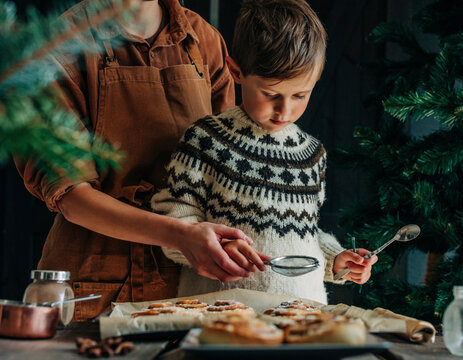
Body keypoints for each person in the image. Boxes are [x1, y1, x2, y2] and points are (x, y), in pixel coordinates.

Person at [14, 0, 256, 321]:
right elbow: (71, 195)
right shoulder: (60, 45)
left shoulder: (204, 39)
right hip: (93, 285)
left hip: (188, 287)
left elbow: (222, 172)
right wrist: (180, 235)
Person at [152, 0, 378, 304]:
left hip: (303, 317)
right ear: (236, 72)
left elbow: (304, 234)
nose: (285, 109)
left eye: (300, 94)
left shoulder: (312, 154)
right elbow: (174, 221)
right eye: (270, 94)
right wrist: (215, 247)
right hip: (222, 317)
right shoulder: (206, 141)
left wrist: (335, 259)